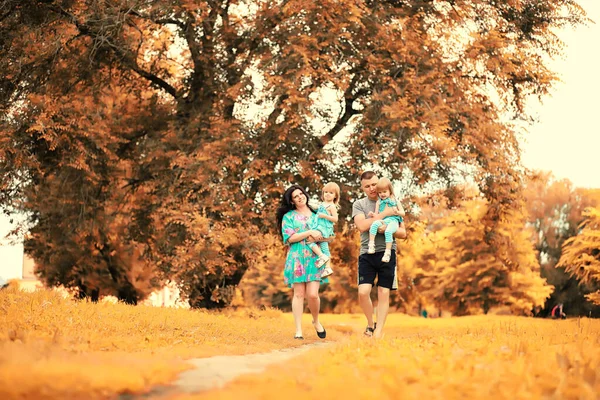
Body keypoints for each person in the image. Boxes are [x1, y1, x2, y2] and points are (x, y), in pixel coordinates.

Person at [352, 171, 407, 339]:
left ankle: (378, 332)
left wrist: (386, 227)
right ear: (362, 188)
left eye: (374, 184)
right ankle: (370, 323)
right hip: (367, 253)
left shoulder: (394, 201)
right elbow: (362, 226)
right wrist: (384, 215)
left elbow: (403, 233)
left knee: (384, 292)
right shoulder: (359, 204)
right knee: (363, 292)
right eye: (367, 186)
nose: (372, 189)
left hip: (387, 252)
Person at [276, 184, 329, 340]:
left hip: (315, 256)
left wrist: (321, 235)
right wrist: (309, 232)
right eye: (296, 196)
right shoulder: (289, 217)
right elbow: (289, 238)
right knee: (298, 294)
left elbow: (328, 234)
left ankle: (316, 321)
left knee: (313, 295)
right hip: (297, 258)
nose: (300, 197)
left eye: (301, 193)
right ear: (292, 201)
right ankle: (298, 330)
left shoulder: (317, 214)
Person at [367, 177, 404, 263]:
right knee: (374, 224)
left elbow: (403, 213)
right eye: (379, 192)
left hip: (393, 221)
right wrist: (373, 214)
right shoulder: (378, 202)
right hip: (384, 220)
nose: (382, 194)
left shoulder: (395, 201)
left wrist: (397, 212)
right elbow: (377, 216)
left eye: (384, 192)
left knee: (388, 231)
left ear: (390, 190)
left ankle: (387, 253)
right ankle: (371, 244)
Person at [308, 182, 340, 278]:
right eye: (325, 192)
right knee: (324, 247)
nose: (327, 194)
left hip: (324, 228)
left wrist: (325, 215)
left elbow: (335, 219)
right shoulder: (322, 204)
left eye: (331, 192)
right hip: (318, 226)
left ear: (335, 196)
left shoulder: (332, 206)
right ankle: (327, 268)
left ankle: (321, 256)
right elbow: (313, 207)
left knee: (309, 240)